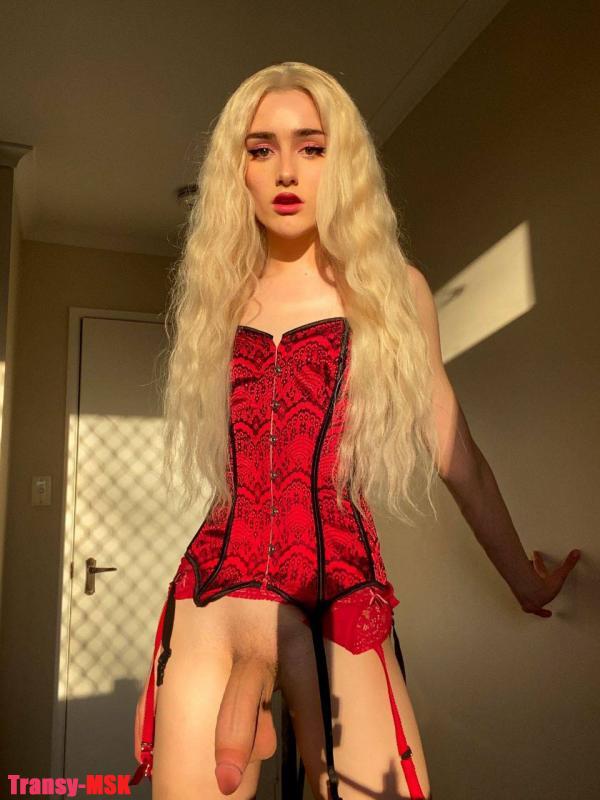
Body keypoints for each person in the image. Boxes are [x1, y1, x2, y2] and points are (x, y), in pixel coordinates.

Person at [131, 62, 580, 800]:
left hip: (340, 592)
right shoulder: (216, 297)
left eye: (312, 147)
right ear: (237, 170)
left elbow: (457, 456)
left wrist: (523, 581)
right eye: (261, 148)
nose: (286, 170)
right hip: (214, 594)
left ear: (343, 162)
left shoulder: (393, 290)